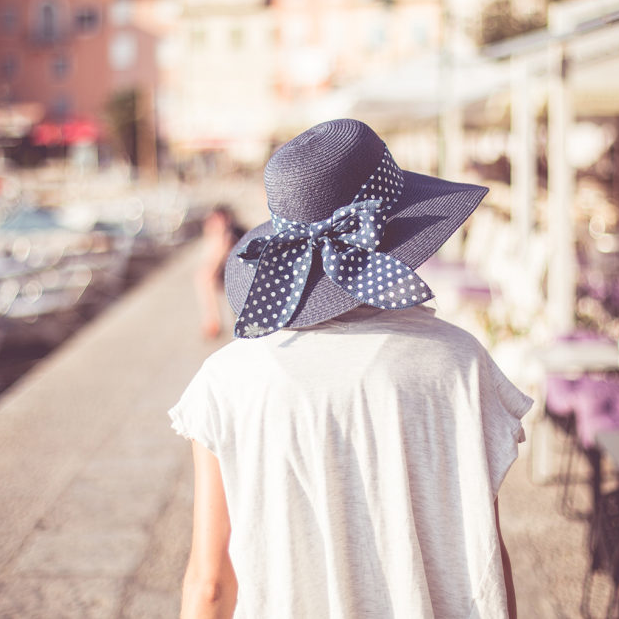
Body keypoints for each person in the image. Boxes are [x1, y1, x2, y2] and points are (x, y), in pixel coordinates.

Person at [169, 119, 533, 618]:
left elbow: (210, 584)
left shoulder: (225, 381)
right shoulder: (460, 364)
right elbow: (488, 553)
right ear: (398, 227)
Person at [194, 205, 244, 339]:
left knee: (205, 278)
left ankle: (213, 321)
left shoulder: (231, 236)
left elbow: (216, 262)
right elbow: (210, 260)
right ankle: (212, 320)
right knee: (204, 278)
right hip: (228, 274)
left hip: (238, 275)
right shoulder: (219, 236)